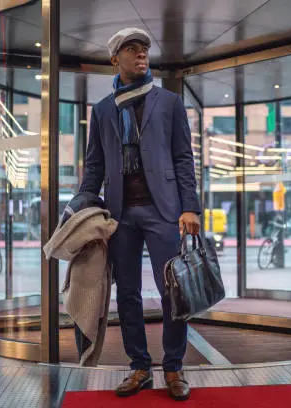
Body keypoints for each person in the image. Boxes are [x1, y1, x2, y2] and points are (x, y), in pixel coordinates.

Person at [79, 27, 201, 401]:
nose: (141, 54)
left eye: (145, 48)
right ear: (115, 58)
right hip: (120, 215)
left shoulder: (169, 102)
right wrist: (79, 205)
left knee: (173, 292)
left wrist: (190, 207)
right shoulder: (102, 111)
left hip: (164, 211)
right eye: (132, 49)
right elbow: (94, 168)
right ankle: (139, 366)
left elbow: (183, 158)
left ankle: (175, 367)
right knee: (127, 293)